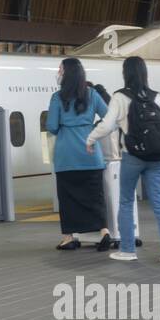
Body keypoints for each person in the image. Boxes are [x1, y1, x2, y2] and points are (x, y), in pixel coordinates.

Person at [86, 56, 160, 262]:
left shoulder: (120, 97)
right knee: (159, 202)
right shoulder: (156, 96)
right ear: (145, 73)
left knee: (126, 201)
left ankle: (128, 250)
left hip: (133, 157)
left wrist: (90, 139)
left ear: (126, 74)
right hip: (158, 157)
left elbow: (106, 125)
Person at [46, 58, 110, 250]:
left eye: (60, 70)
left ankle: (69, 238)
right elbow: (109, 118)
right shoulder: (92, 94)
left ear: (66, 74)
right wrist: (92, 128)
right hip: (91, 154)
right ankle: (104, 232)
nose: (58, 73)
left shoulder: (57, 97)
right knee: (95, 197)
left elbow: (51, 126)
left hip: (66, 156)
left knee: (67, 199)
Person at [92, 83, 139, 250]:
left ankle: (120, 237)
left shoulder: (104, 113)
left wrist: (90, 139)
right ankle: (129, 234)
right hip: (121, 159)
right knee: (125, 199)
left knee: (118, 200)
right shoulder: (114, 104)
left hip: (107, 160)